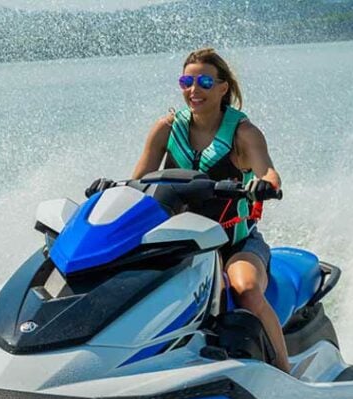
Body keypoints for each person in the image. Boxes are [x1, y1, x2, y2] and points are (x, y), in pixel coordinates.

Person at [100, 47, 291, 372]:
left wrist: (267, 184)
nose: (193, 90)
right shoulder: (166, 128)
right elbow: (138, 181)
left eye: (204, 81)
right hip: (179, 243)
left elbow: (268, 171)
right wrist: (110, 188)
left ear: (222, 87)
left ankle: (287, 374)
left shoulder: (243, 134)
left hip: (235, 245)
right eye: (186, 81)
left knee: (244, 290)